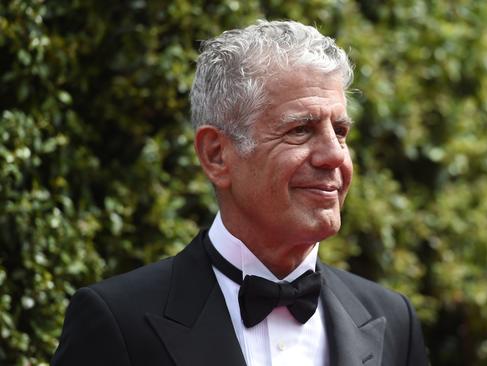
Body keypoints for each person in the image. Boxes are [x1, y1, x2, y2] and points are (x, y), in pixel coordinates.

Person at [52, 19, 427, 366]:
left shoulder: (393, 320)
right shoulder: (118, 321)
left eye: (341, 131)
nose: (334, 156)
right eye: (300, 130)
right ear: (216, 155)